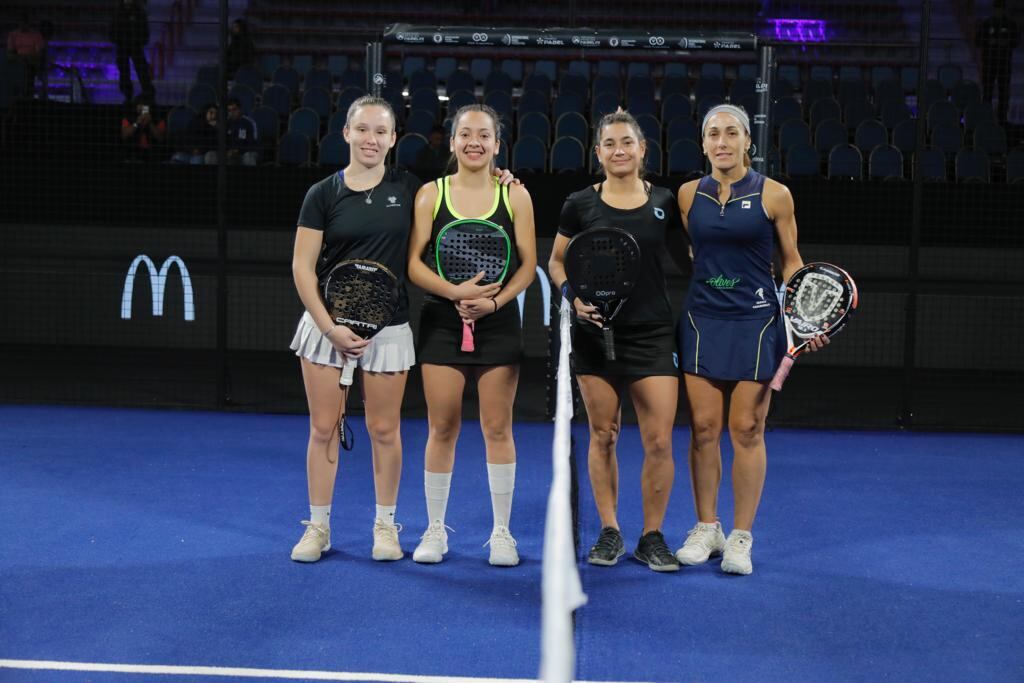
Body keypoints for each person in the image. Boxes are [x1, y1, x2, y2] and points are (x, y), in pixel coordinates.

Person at [288, 96, 518, 564]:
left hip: (387, 332)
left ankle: (385, 527)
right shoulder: (322, 194)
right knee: (323, 429)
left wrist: (501, 176)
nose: (371, 139)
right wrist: (330, 328)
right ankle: (318, 527)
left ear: (393, 139)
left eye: (380, 132)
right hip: (325, 329)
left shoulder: (412, 188)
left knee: (385, 430)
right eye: (363, 129)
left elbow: (461, 191)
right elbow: (301, 267)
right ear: (347, 134)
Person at [674, 104, 826, 576]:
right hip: (701, 321)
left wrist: (806, 317)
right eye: (713, 134)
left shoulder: (775, 195)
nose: (722, 141)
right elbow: (695, 252)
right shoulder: (686, 195)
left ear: (747, 141)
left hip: (758, 324)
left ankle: (740, 537)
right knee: (702, 429)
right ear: (703, 144)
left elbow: (792, 262)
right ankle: (707, 528)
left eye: (732, 133)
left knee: (745, 429)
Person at [547, 110, 687, 573]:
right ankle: (609, 530)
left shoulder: (665, 201)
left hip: (652, 333)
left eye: (627, 142)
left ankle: (652, 536)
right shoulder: (578, 204)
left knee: (659, 441)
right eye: (609, 143)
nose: (619, 150)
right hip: (594, 333)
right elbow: (556, 263)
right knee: (603, 435)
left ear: (643, 149)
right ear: (599, 152)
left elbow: (692, 257)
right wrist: (573, 298)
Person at [407, 104, 537, 567]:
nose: (474, 142)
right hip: (442, 323)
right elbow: (414, 263)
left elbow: (526, 266)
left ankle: (502, 533)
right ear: (454, 141)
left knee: (497, 427)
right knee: (442, 426)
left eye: (484, 135)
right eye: (465, 134)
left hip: (498, 323)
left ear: (498, 144)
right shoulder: (430, 195)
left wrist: (495, 303)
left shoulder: (516, 197)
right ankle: (434, 529)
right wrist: (454, 292)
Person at [976, 0, 1020, 124]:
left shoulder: (1010, 24)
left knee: (1004, 92)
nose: (998, 11)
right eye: (996, 8)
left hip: (1004, 64)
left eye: (1000, 8)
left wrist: (1005, 44)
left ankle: (1002, 119)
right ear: (993, 9)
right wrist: (990, 43)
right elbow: (978, 40)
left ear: (1004, 9)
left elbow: (1016, 41)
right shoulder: (986, 24)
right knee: (987, 92)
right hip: (989, 63)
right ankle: (985, 118)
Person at [110, 0, 154, 104]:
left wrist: (140, 40)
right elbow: (112, 30)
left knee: (141, 70)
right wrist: (118, 40)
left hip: (136, 46)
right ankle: (127, 94)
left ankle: (147, 92)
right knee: (124, 72)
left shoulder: (139, 12)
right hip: (122, 46)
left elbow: (144, 29)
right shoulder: (118, 13)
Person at [5, 13, 45, 99]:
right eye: (21, 23)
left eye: (25, 23)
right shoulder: (12, 35)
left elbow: (39, 54)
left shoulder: (36, 35)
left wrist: (28, 59)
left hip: (31, 65)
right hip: (17, 66)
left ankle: (28, 98)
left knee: (28, 75)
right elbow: (9, 54)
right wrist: (21, 58)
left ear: (28, 23)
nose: (23, 25)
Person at [121, 96, 165, 162]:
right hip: (133, 152)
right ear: (136, 106)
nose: (142, 109)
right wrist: (136, 123)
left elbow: (160, 138)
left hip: (153, 153)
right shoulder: (129, 117)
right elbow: (124, 135)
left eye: (145, 106)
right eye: (140, 106)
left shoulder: (158, 118)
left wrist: (150, 123)